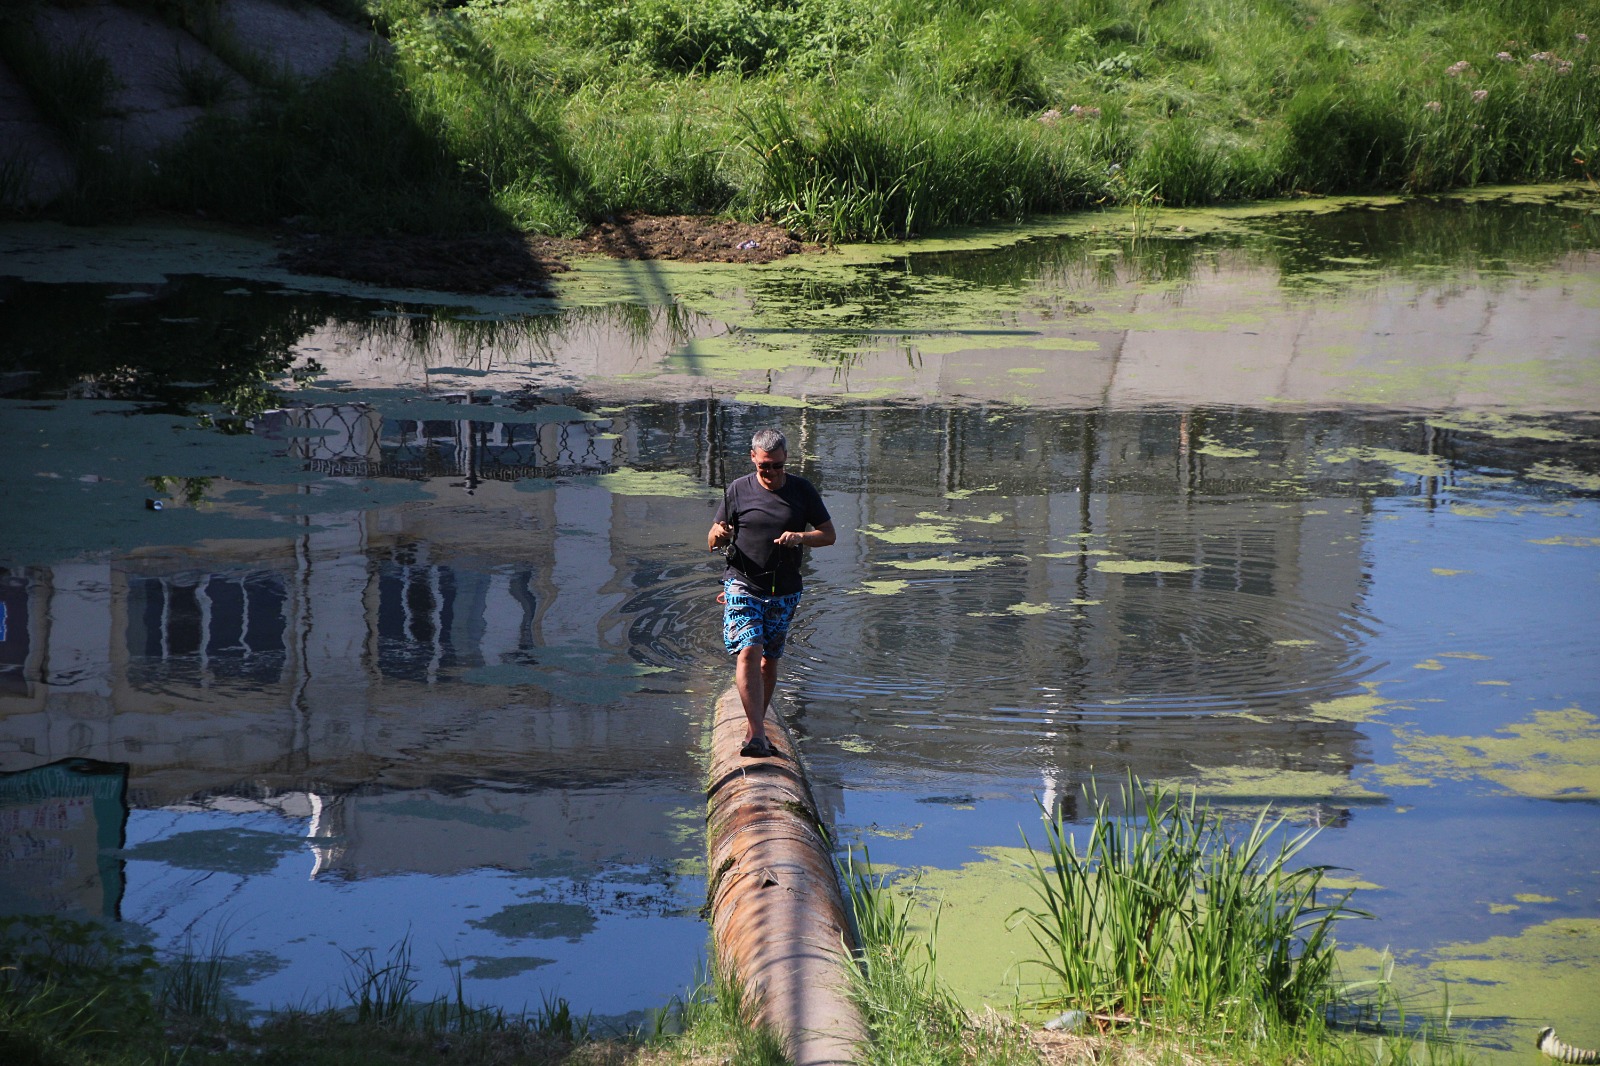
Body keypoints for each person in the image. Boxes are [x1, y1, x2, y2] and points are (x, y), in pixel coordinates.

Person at [707, 428, 836, 758]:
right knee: (749, 648)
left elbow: (828, 535)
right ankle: (758, 737)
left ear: (786, 460)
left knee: (768, 660)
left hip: (784, 589)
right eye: (765, 466)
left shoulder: (802, 490)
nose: (771, 473)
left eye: (777, 466)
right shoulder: (737, 490)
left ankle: (754, 727)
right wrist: (720, 534)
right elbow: (712, 541)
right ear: (753, 459)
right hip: (742, 583)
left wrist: (800, 537)